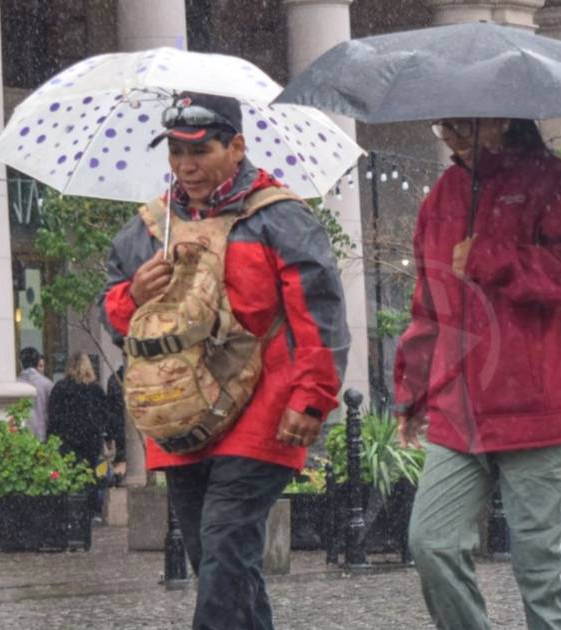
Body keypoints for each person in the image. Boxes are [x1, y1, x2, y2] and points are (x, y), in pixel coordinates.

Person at [97, 92, 347, 630]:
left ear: (237, 146)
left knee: (224, 547)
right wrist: (133, 295)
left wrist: (312, 399)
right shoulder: (147, 229)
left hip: (266, 411)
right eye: (175, 153)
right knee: (220, 560)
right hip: (180, 416)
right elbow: (112, 314)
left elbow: (318, 317)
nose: (184, 166)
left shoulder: (282, 218)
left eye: (200, 150)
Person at [395, 117, 561, 630]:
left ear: (504, 115)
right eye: (443, 123)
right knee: (431, 542)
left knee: (542, 566)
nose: (450, 133)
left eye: (465, 122)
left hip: (538, 410)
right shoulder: (441, 198)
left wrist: (491, 258)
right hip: (458, 411)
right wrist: (413, 392)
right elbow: (428, 306)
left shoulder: (556, 183)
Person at [47, 352, 108, 469]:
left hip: (66, 438)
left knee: (69, 472)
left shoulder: (60, 387)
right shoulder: (95, 388)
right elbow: (103, 415)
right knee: (91, 473)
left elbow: (53, 415)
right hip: (91, 439)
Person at [16, 346, 53, 441]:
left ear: (21, 363)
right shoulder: (47, 384)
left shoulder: (15, 384)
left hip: (21, 434)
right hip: (42, 433)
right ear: (37, 362)